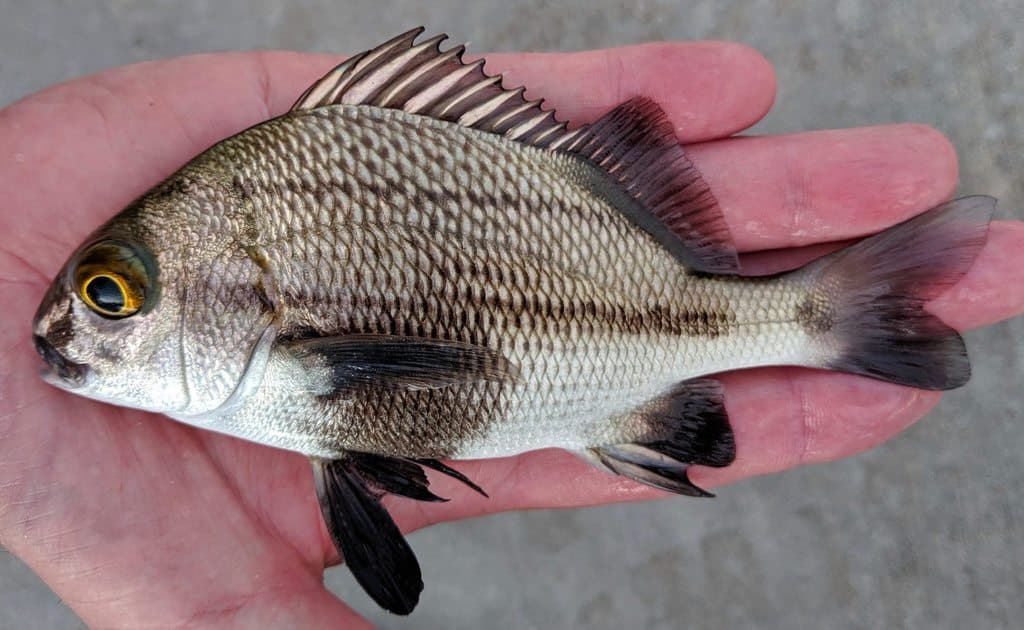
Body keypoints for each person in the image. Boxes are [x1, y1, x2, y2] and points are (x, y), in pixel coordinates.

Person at [0, 41, 1020, 628]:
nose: (77, 328)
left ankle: (816, 318)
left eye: (110, 294)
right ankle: (816, 317)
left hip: (627, 316)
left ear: (249, 297)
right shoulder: (268, 340)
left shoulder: (277, 352)